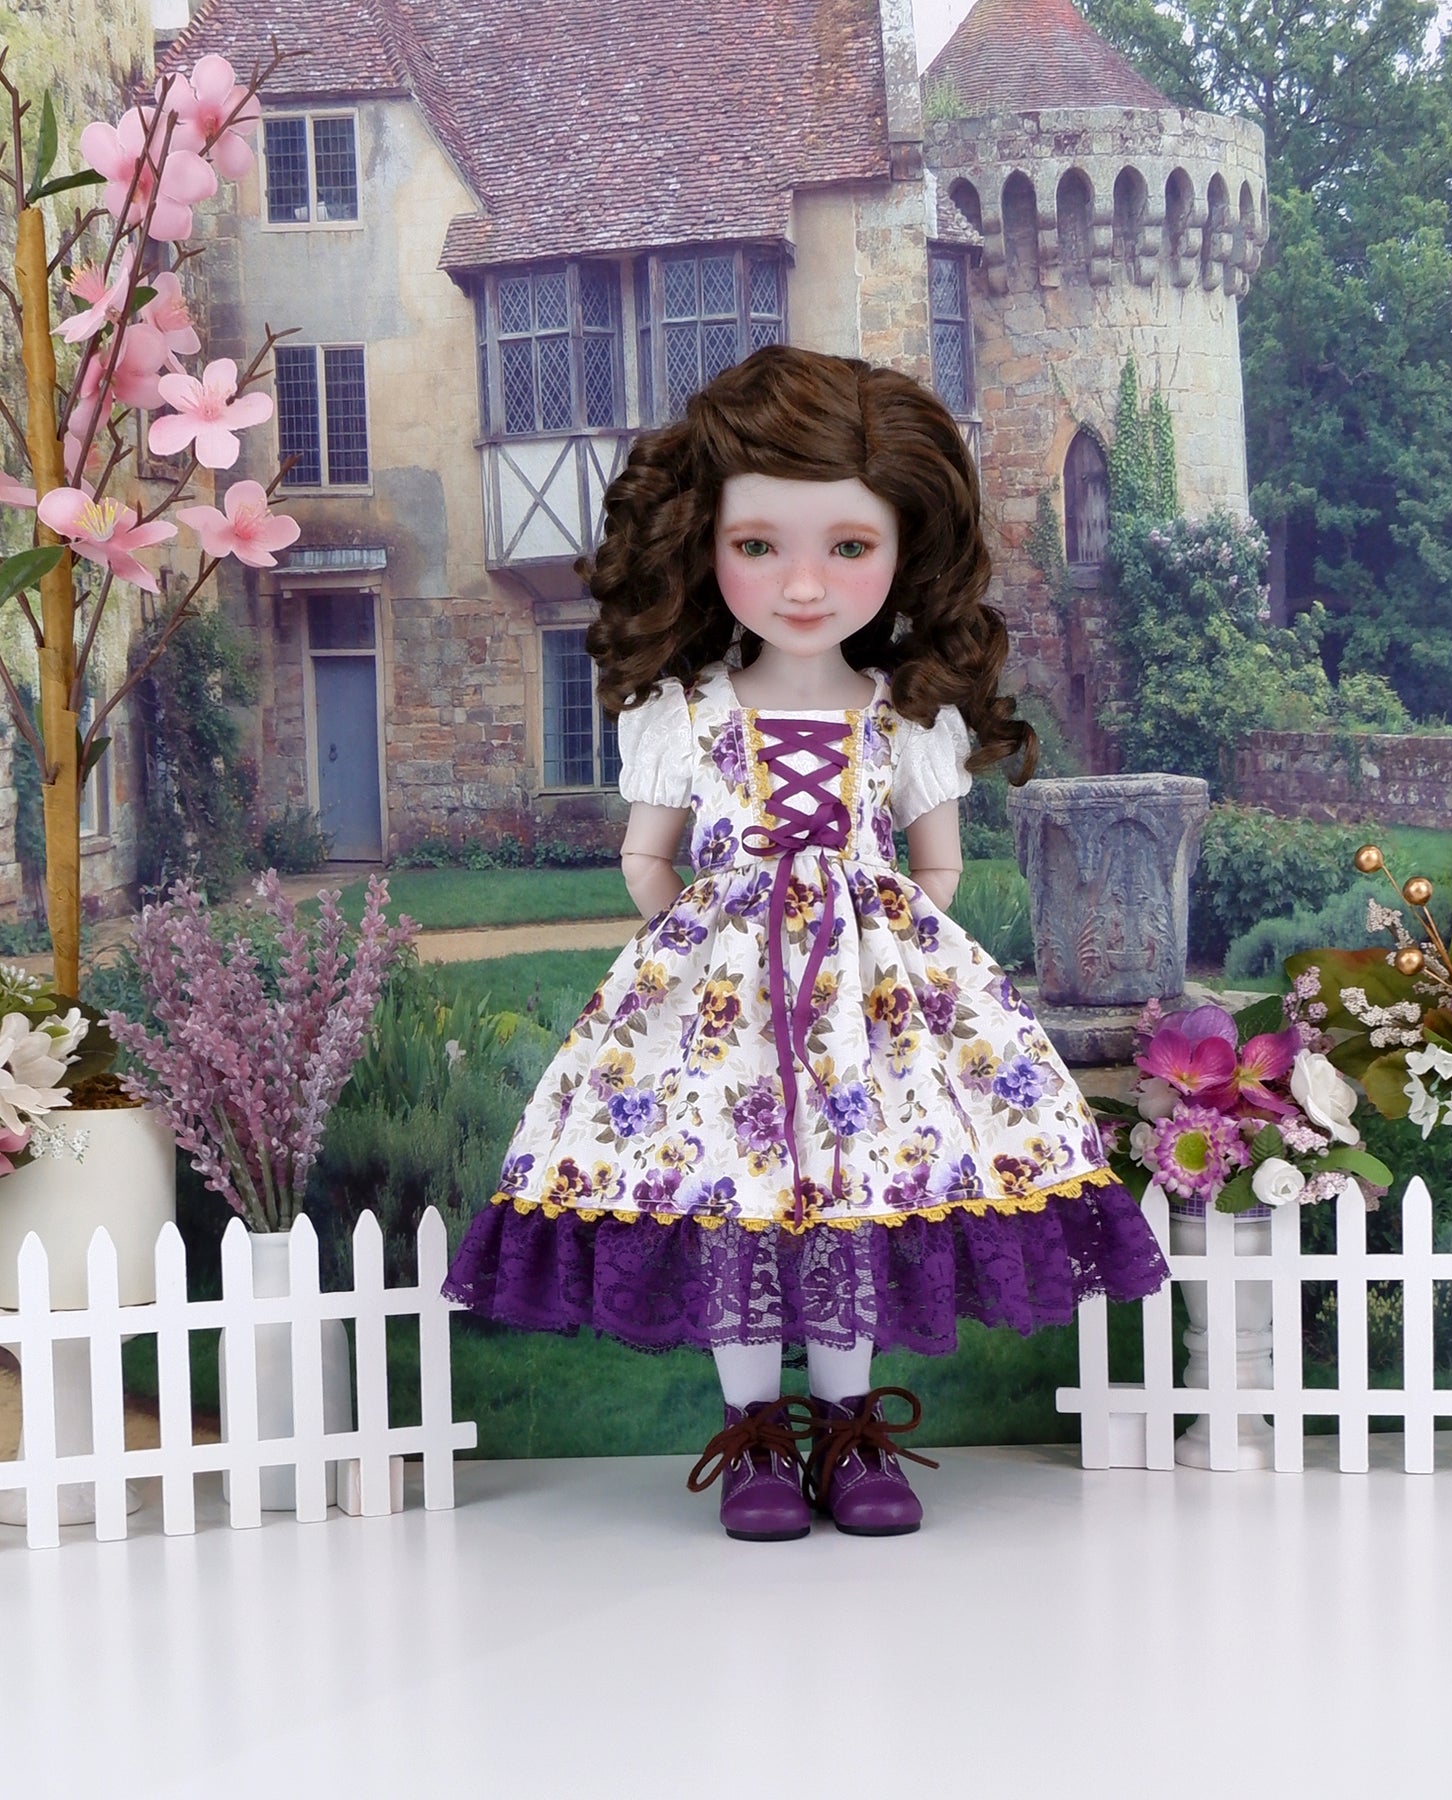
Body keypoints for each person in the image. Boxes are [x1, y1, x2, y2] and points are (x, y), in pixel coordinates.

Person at [444, 345, 1168, 1540]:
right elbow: (646, 856)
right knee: (731, 1196)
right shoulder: (685, 712)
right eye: (757, 544)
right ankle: (754, 1438)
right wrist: (694, 944)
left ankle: (847, 1426)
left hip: (868, 1007)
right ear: (703, 543)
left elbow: (936, 868)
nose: (800, 585)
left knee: (857, 1195)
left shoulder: (905, 715)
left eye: (847, 547)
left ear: (904, 550)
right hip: (722, 1001)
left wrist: (899, 948)